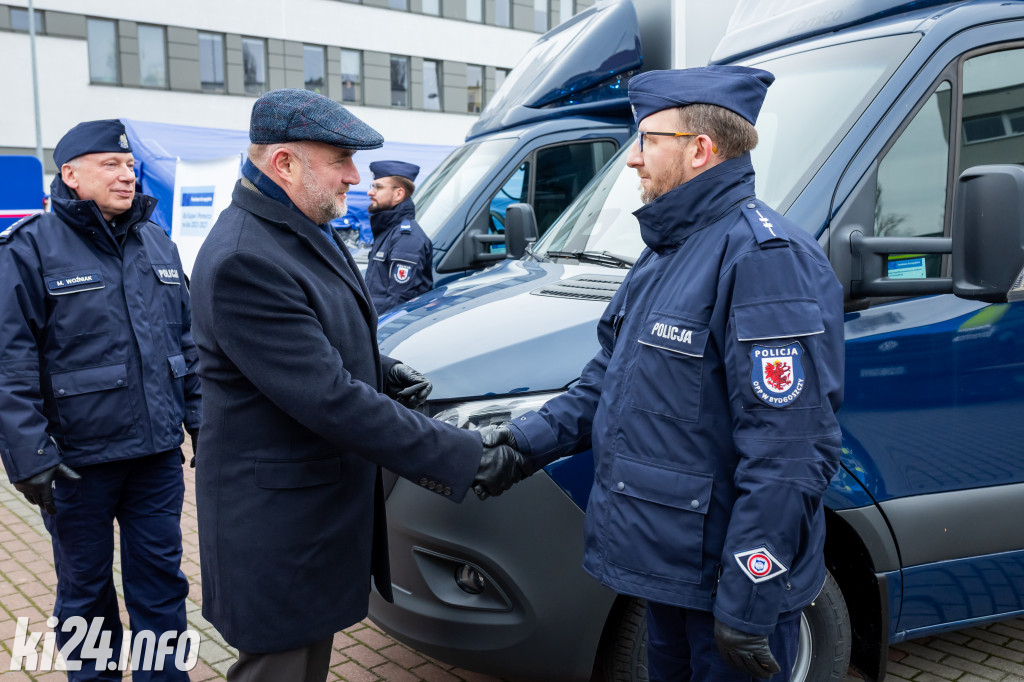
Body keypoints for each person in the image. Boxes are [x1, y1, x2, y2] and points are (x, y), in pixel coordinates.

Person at [483, 67, 845, 681]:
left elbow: (790, 449)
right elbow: (607, 382)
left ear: (699, 149)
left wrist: (750, 600)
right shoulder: (665, 254)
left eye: (647, 139)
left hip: (724, 589)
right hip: (669, 572)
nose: (633, 160)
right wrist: (518, 445)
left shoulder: (764, 259)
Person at [189, 89, 522, 682]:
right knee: (281, 668)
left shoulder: (293, 225)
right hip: (278, 531)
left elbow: (319, 334)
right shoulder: (246, 256)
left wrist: (382, 370)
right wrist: (465, 457)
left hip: (306, 521)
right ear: (284, 163)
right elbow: (328, 399)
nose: (354, 175)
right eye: (340, 158)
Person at [0, 119, 201, 680]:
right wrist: (28, 457)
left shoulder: (156, 241)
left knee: (162, 584)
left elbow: (186, 343)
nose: (126, 175)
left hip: (156, 457)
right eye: (110, 165)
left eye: (130, 166)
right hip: (75, 464)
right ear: (71, 174)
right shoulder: (29, 249)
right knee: (85, 594)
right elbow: (8, 362)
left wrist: (201, 421)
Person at [363, 160, 433, 313]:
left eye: (378, 187)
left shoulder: (406, 238)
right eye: (372, 186)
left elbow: (399, 302)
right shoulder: (388, 230)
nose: (370, 192)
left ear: (398, 194)